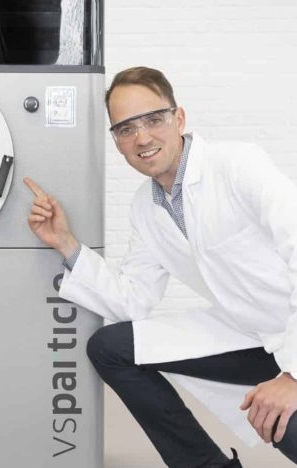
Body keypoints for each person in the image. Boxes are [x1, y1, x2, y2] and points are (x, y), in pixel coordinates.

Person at [24, 66, 297, 467]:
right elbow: (132, 300)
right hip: (250, 335)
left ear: (179, 118)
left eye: (153, 119)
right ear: (117, 141)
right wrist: (65, 242)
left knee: (286, 428)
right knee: (110, 347)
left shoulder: (238, 165)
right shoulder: (145, 206)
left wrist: (293, 377)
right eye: (126, 129)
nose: (142, 138)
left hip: (290, 333)